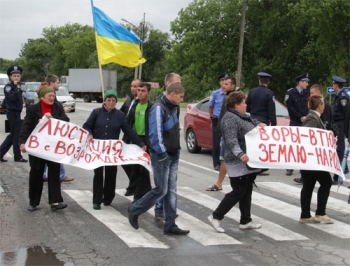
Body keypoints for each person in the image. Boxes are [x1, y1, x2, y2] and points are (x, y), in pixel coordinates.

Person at [128, 83, 190, 235]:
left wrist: (178, 150)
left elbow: (175, 131)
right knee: (161, 189)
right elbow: (155, 135)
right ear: (173, 94)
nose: (182, 100)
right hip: (162, 156)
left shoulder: (173, 107)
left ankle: (170, 224)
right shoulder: (158, 107)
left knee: (171, 191)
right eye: (181, 96)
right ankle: (135, 209)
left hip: (173, 155)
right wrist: (163, 154)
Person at [207, 91, 264, 233]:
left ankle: (246, 220)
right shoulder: (230, 118)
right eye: (244, 102)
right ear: (236, 105)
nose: (246, 104)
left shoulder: (243, 116)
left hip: (248, 160)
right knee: (238, 191)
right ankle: (216, 216)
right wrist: (240, 154)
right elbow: (231, 140)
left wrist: (261, 125)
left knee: (247, 190)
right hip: (237, 160)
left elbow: (252, 123)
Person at [83, 90, 146, 210]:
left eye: (113, 100)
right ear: (105, 101)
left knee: (111, 174)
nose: (111, 102)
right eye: (109, 100)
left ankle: (108, 198)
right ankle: (96, 200)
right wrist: (89, 133)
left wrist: (140, 143)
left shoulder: (120, 115)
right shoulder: (96, 112)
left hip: (112, 151)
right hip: (98, 150)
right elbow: (87, 126)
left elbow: (128, 131)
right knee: (98, 174)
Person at [19, 82, 69, 212]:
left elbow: (66, 121)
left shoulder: (57, 107)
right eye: (49, 96)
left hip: (53, 147)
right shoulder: (32, 109)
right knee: (36, 173)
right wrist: (22, 142)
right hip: (37, 148)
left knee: (54, 173)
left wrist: (53, 119)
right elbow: (26, 127)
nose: (52, 98)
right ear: (42, 97)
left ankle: (55, 201)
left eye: (53, 95)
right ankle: (33, 202)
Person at [299, 95, 334, 224]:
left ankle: (305, 215)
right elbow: (307, 134)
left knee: (308, 185)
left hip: (309, 160)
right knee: (326, 182)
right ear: (320, 105)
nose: (324, 106)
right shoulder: (312, 118)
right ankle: (320, 213)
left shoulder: (313, 117)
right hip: (313, 160)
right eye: (323, 104)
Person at [154, 72, 182, 219]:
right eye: (177, 82)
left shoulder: (176, 104)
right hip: (163, 153)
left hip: (173, 151)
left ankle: (169, 213)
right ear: (168, 84)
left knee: (171, 186)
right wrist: (162, 152)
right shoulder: (159, 105)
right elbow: (156, 131)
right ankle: (158, 208)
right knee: (162, 186)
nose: (180, 85)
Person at [293, 84, 332, 183]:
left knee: (309, 185)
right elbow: (308, 134)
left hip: (314, 155)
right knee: (324, 183)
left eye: (312, 93)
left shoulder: (323, 106)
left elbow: (327, 122)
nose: (310, 95)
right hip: (313, 157)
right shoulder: (313, 115)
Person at [122, 82, 152, 202]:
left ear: (148, 93)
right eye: (138, 90)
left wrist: (148, 143)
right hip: (134, 139)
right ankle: (141, 188)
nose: (139, 92)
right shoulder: (134, 105)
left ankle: (138, 195)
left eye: (143, 91)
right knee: (130, 165)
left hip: (146, 140)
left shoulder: (151, 107)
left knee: (142, 168)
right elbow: (128, 124)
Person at [206, 76, 236, 191]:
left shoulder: (234, 97)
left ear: (233, 86)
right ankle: (219, 183)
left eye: (227, 84)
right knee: (223, 157)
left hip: (231, 132)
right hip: (223, 129)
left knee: (229, 158)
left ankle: (223, 183)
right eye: (224, 83)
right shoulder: (225, 96)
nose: (224, 85)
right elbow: (213, 108)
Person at [42, 74, 74, 183]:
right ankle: (60, 175)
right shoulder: (46, 94)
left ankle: (51, 174)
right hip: (49, 132)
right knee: (53, 152)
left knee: (50, 152)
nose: (59, 84)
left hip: (52, 131)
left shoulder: (50, 94)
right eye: (57, 82)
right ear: (51, 84)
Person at [0, 65, 28, 163]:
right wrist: (17, 89)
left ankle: (0, 153)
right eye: (14, 76)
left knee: (12, 136)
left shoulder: (18, 87)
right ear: (11, 77)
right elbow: (11, 98)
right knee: (16, 136)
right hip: (12, 113)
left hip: (17, 113)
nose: (16, 77)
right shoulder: (9, 87)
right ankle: (17, 156)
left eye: (18, 76)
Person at [285, 72, 310, 176]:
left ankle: (303, 167)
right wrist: (300, 117)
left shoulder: (307, 93)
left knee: (304, 145)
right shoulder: (290, 93)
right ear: (300, 82)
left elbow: (310, 106)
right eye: (305, 82)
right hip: (295, 121)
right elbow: (290, 108)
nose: (307, 84)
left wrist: (306, 117)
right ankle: (290, 167)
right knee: (293, 145)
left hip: (306, 122)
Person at [121, 79, 141, 197]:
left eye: (136, 87)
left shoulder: (141, 102)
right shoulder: (129, 100)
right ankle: (133, 184)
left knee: (134, 162)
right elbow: (121, 113)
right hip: (126, 134)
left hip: (135, 135)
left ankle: (134, 186)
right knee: (123, 160)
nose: (133, 88)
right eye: (132, 86)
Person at [209, 74, 229, 170]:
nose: (224, 84)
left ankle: (226, 163)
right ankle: (216, 163)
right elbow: (210, 106)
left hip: (228, 120)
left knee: (226, 143)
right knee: (216, 143)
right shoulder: (215, 93)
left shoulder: (230, 94)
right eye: (223, 81)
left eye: (227, 82)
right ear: (220, 82)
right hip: (217, 120)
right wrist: (211, 118)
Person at [331, 75, 349, 184]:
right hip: (338, 124)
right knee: (338, 148)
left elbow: (347, 114)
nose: (333, 86)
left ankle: (339, 175)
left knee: (340, 149)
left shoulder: (343, 97)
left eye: (333, 84)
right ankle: (343, 169)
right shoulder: (338, 96)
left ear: (336, 85)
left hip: (341, 125)